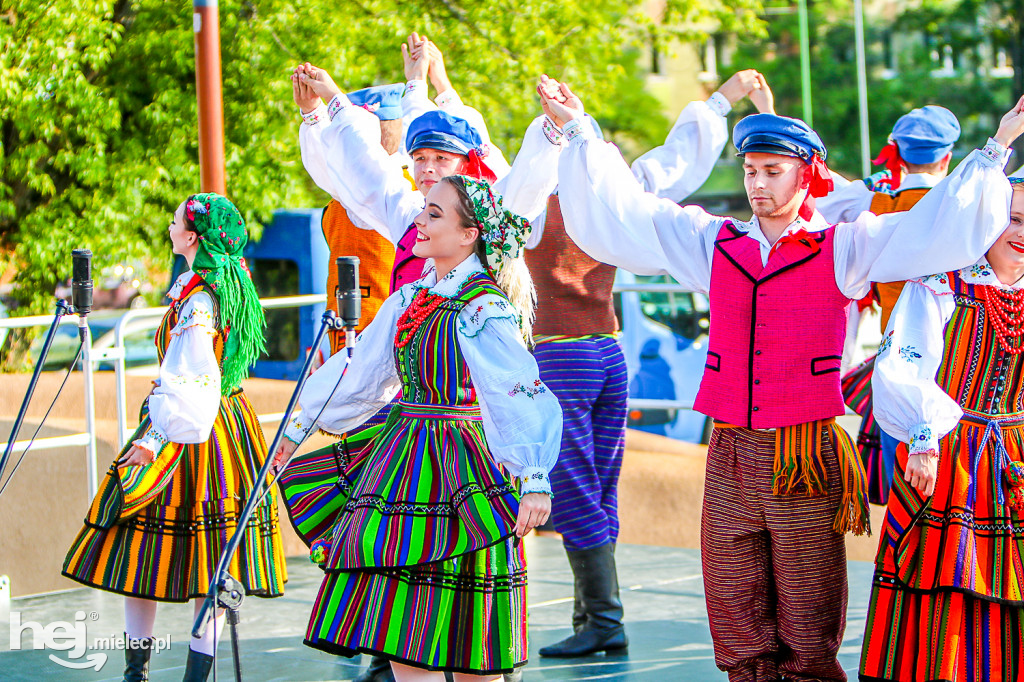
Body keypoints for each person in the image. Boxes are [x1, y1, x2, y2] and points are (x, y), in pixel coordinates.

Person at [540, 78, 1024, 681]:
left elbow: (933, 227)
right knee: (733, 596)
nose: (758, 184)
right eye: (751, 170)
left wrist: (995, 149)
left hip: (804, 448)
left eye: (773, 170)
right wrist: (582, 129)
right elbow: (632, 214)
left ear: (808, 175)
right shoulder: (715, 242)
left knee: (806, 606)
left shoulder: (846, 245)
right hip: (732, 444)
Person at [271, 175, 560, 681]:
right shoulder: (410, 298)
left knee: (475, 646)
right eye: (423, 210)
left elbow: (517, 387)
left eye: (434, 214)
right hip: (401, 462)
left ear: (469, 234)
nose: (419, 222)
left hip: (466, 466)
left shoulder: (482, 307)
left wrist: (534, 474)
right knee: (404, 635)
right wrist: (296, 429)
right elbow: (359, 372)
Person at [529, 69, 775, 658]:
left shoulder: (525, 203)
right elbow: (678, 159)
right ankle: (593, 614)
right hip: (609, 350)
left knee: (574, 486)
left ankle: (604, 620)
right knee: (600, 485)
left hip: (561, 356)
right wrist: (721, 100)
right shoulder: (619, 194)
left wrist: (432, 85)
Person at [62, 194, 287, 682]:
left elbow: (194, 376)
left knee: (149, 546)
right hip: (226, 425)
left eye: (176, 222)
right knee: (205, 558)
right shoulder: (224, 283)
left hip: (194, 430)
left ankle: (144, 674)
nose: (169, 227)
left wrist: (158, 435)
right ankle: (151, 673)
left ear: (191, 238)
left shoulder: (200, 301)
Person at [861, 167, 1024, 681]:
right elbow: (902, 364)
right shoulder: (944, 283)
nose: (1022, 234)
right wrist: (924, 440)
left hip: (1017, 454)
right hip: (952, 452)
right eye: (1015, 219)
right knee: (945, 574)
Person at [819, 106, 962, 504]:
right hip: (957, 361)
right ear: (947, 156)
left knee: (902, 486)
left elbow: (817, 210)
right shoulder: (959, 202)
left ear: (895, 152)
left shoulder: (875, 195)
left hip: (896, 358)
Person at [292, 79, 402, 357]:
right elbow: (328, 165)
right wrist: (313, 115)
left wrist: (315, 116)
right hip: (344, 327)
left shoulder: (404, 194)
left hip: (388, 332)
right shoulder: (344, 193)